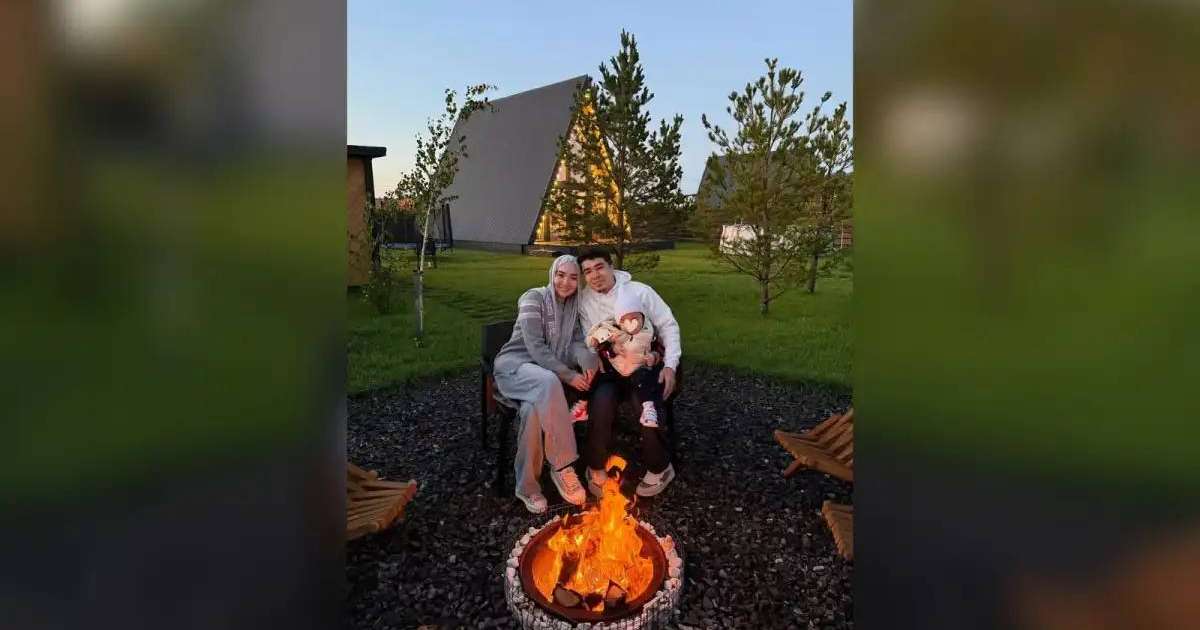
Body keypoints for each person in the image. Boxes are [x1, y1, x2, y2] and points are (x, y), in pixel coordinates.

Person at [492, 255, 599, 513]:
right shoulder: (533, 298)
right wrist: (568, 374)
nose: (566, 282)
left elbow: (575, 343)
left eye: (573, 277)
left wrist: (589, 362)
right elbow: (535, 346)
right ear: (552, 274)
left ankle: (527, 487)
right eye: (561, 275)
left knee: (532, 413)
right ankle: (562, 465)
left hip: (541, 381)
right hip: (514, 368)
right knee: (549, 380)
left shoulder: (573, 308)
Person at [576, 246, 681, 498]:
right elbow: (588, 337)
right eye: (588, 271)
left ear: (612, 266)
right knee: (600, 402)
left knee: (644, 405)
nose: (594, 275)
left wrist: (670, 365)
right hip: (611, 368)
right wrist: (593, 357)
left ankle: (660, 467)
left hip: (644, 363)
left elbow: (669, 326)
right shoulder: (585, 300)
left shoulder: (640, 291)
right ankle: (596, 465)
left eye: (599, 267)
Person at [583, 289, 663, 427]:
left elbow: (658, 350)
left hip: (639, 369)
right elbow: (601, 349)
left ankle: (649, 408)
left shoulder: (650, 332)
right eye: (625, 320)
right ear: (619, 321)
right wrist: (611, 350)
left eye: (636, 318)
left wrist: (654, 356)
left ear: (643, 316)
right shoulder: (614, 331)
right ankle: (583, 403)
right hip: (615, 371)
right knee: (597, 378)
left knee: (647, 380)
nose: (632, 323)